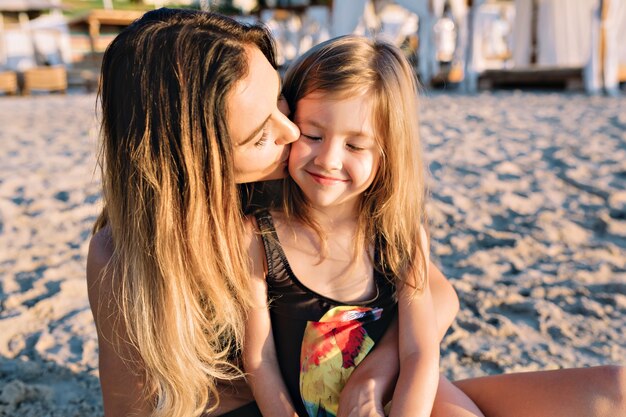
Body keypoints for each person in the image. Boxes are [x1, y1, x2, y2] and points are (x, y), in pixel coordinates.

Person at [86, 9, 459, 417]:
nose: (293, 131)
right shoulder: (128, 257)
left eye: (281, 98)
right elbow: (127, 407)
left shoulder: (307, 180)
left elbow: (438, 294)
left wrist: (377, 369)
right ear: (195, 161)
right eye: (262, 134)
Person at [243, 35, 626, 417]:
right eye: (313, 135)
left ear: (388, 152)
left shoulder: (398, 235)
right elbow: (261, 361)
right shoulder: (256, 236)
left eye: (356, 146)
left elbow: (419, 353)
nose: (328, 159)